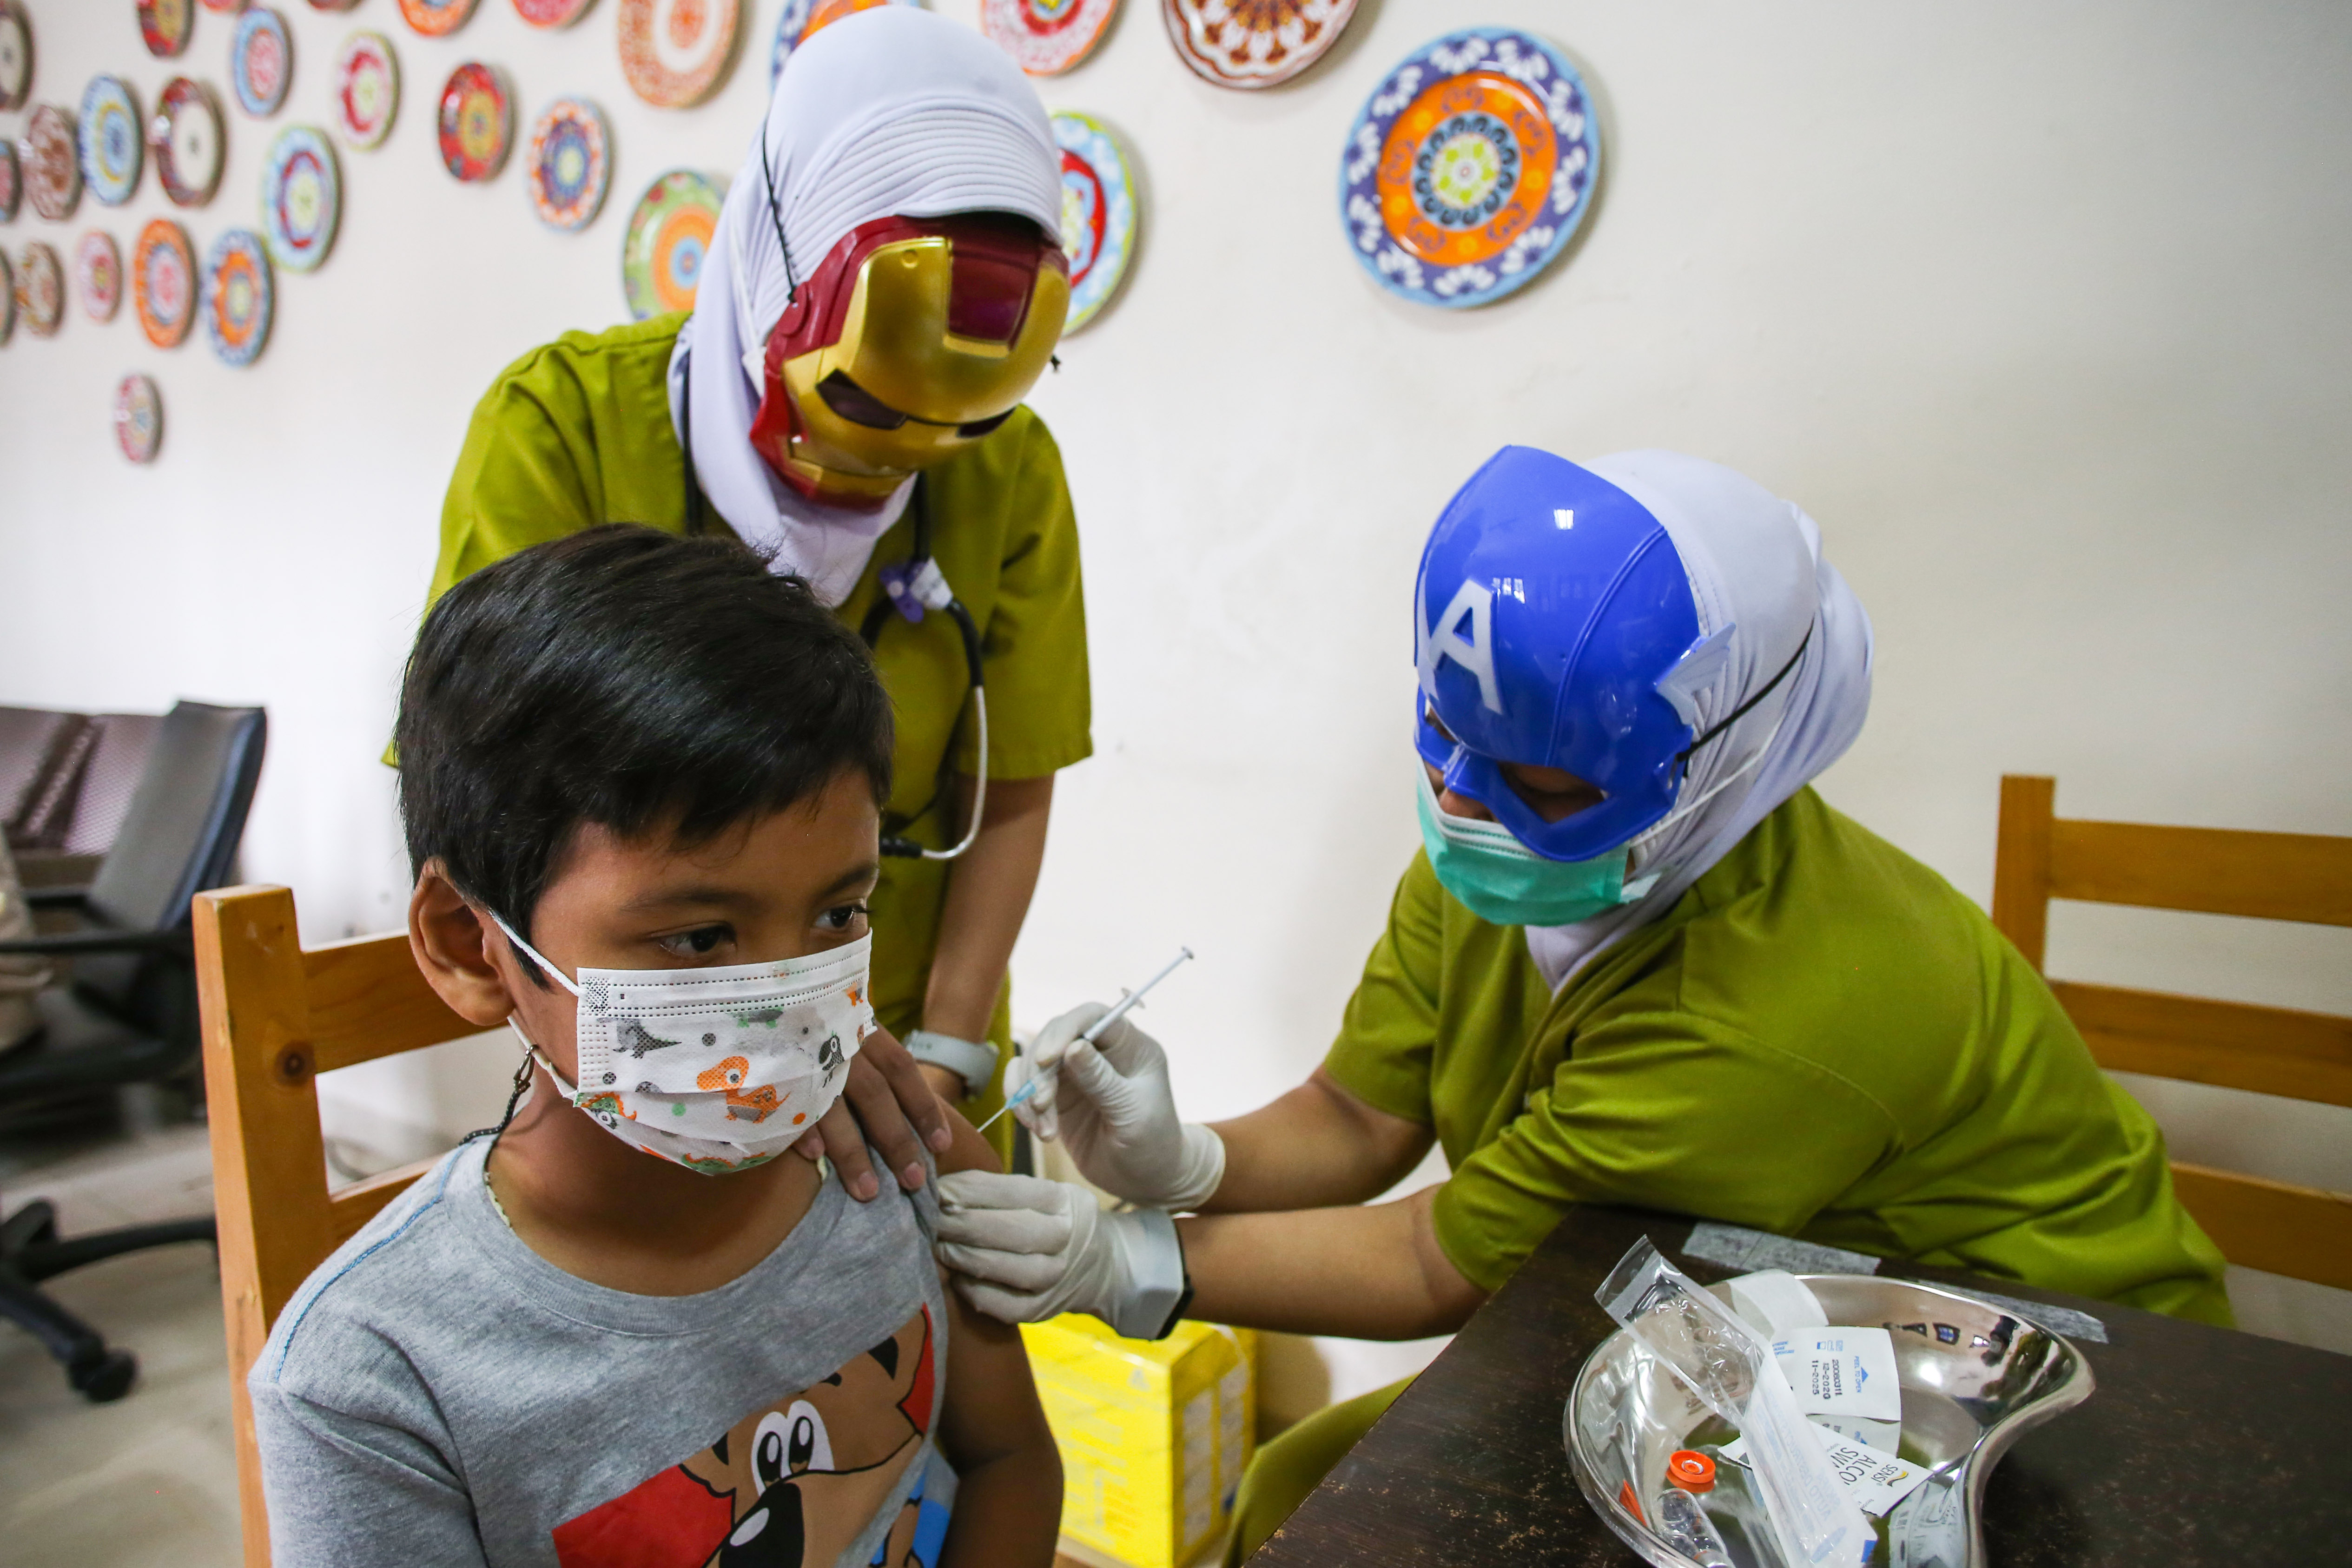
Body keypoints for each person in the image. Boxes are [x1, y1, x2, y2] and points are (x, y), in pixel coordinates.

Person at [931, 446, 2231, 1558]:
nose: (1461, 801)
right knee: (1291, 1489)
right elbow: (1354, 1109)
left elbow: (1440, 1256)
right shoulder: (1499, 833)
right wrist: (1189, 1156)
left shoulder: (1770, 1012)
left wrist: (1126, 1261)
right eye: (1442, 733)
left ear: (1714, 765)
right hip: (1704, 1306)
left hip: (2018, 1385)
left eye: (1541, 785)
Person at [250, 527, 1060, 1568]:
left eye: (836, 914)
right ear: (471, 942)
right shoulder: (375, 1380)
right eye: (697, 937)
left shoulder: (903, 1154)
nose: (784, 1005)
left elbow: (1008, 1462)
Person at [422, 7, 1090, 1173]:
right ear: (779, 281)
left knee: (932, 1334)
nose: (907, 456)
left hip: (913, 1060)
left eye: (955, 422)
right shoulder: (561, 428)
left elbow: (1012, 784)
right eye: (873, 405)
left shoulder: (1007, 465)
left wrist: (940, 1062)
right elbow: (491, 820)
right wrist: (656, 1077)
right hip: (658, 1066)